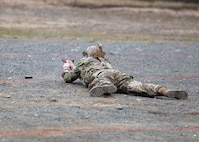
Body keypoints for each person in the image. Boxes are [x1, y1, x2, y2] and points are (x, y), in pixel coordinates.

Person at [61, 44, 188, 99]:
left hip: (102, 75)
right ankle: (162, 90)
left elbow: (69, 78)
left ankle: (105, 86)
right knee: (138, 86)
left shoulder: (83, 62)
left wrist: (67, 67)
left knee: (102, 81)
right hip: (117, 74)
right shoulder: (104, 61)